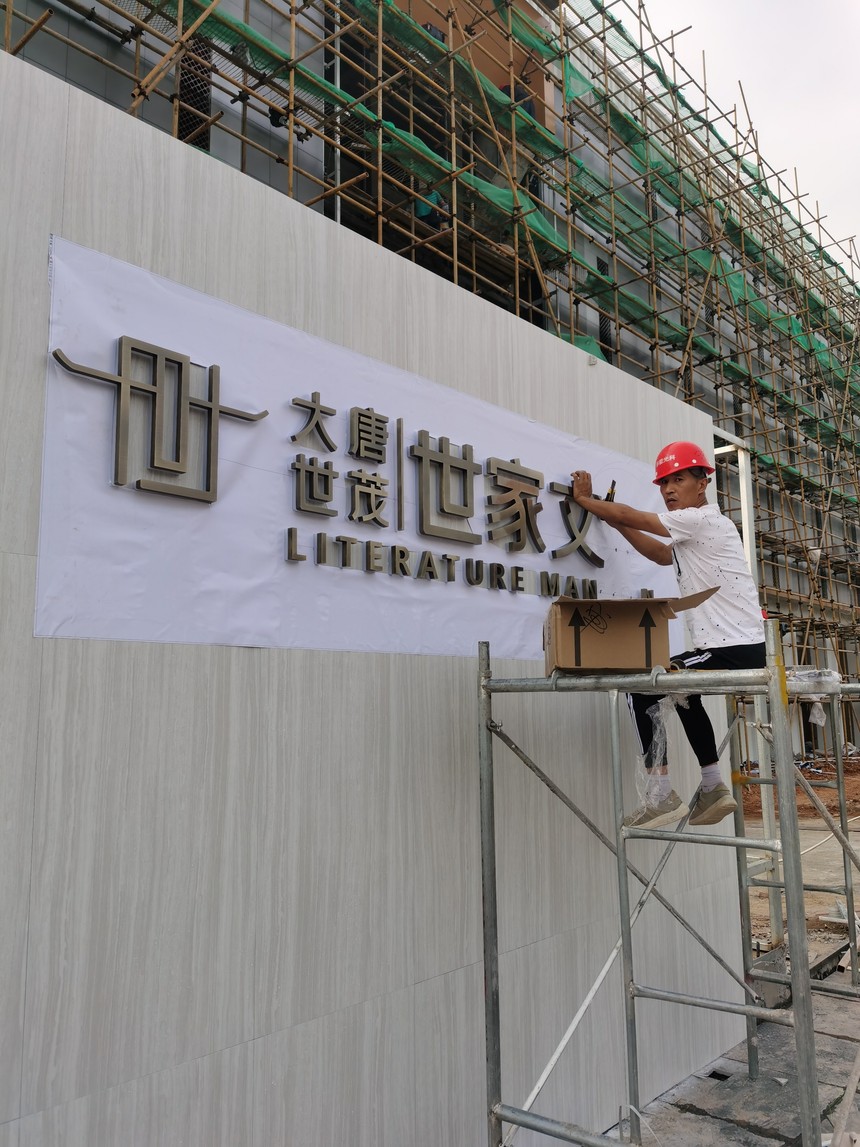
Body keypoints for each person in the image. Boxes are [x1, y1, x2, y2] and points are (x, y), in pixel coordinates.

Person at [571, 441, 765, 829]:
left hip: (733, 647)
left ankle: (661, 795)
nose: (669, 489)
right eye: (664, 483)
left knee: (641, 685)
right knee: (682, 689)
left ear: (702, 483)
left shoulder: (700, 520)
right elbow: (660, 554)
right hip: (737, 647)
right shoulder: (695, 531)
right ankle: (712, 786)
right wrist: (617, 524)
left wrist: (586, 501)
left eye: (678, 480)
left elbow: (630, 514)